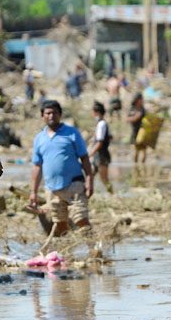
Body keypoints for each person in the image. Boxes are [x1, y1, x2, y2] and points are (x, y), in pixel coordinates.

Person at [29, 100, 94, 236]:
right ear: (43, 116)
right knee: (60, 224)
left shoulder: (71, 133)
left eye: (55, 112)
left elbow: (84, 158)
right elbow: (37, 166)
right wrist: (33, 192)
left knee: (81, 219)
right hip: (52, 189)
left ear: (60, 114)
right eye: (48, 113)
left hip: (74, 185)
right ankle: (66, 253)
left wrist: (89, 180)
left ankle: (94, 250)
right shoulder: (39, 138)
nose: (51, 115)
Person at [89, 102, 113, 193]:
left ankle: (113, 196)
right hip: (100, 154)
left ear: (97, 112)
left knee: (104, 179)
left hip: (101, 155)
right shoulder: (103, 123)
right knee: (90, 176)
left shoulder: (101, 124)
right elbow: (110, 137)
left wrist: (90, 154)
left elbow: (100, 142)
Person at [126, 93, 146, 163]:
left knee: (143, 151)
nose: (142, 100)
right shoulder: (132, 108)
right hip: (134, 132)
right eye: (141, 99)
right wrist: (134, 118)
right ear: (138, 100)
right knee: (135, 151)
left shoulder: (142, 109)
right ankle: (135, 167)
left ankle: (141, 167)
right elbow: (127, 119)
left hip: (142, 132)